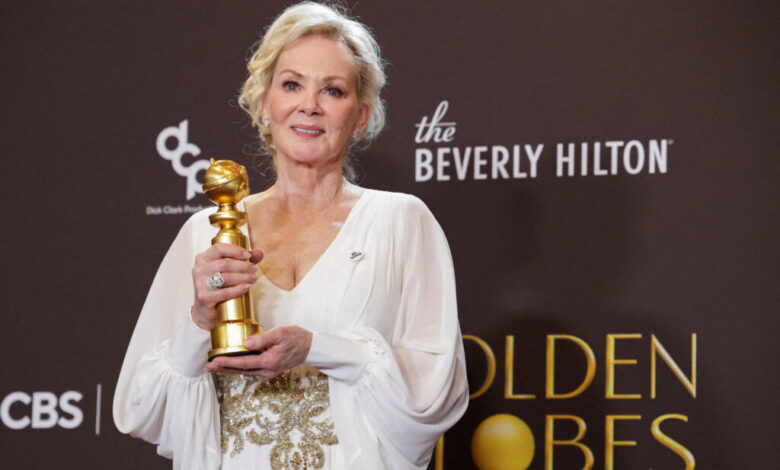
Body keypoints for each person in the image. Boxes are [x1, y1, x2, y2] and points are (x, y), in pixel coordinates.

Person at [113, 2, 468, 469]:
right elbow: (143, 408)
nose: (310, 105)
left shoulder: (401, 221)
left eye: (333, 91)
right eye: (292, 84)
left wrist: (315, 348)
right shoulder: (206, 232)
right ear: (264, 105)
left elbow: (436, 390)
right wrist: (199, 322)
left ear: (360, 117)